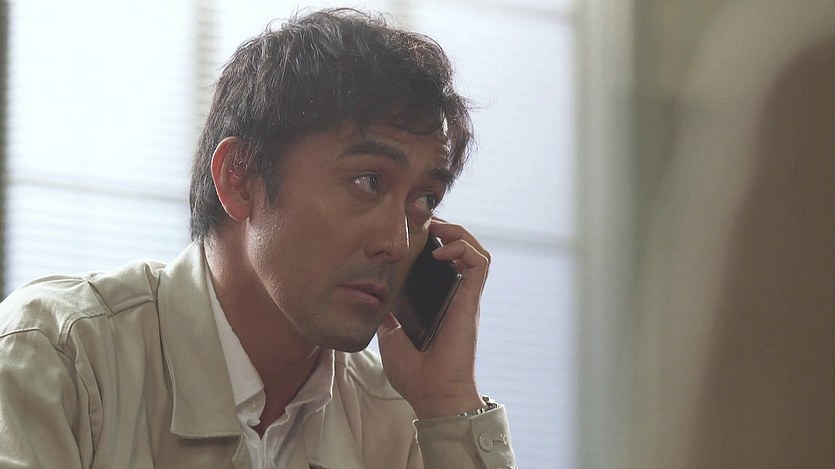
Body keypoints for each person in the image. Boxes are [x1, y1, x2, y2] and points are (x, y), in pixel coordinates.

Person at [0, 8, 516, 469]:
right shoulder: (62, 356)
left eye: (424, 200)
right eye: (368, 181)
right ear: (240, 179)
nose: (397, 243)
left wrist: (449, 402)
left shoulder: (404, 420)